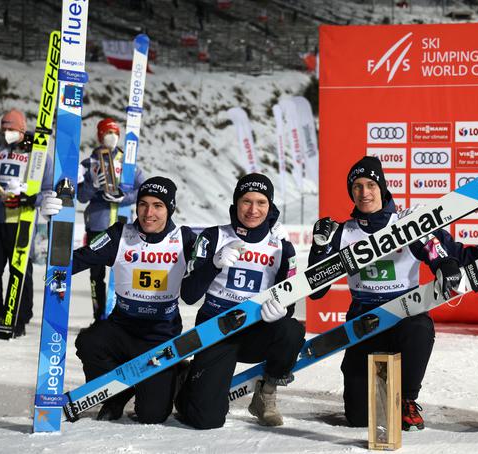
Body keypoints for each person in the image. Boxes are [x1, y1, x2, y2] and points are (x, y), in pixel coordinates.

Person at [307, 156, 464, 431]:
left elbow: (433, 252)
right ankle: (380, 383)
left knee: (420, 327)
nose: (364, 193)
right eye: (357, 186)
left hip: (404, 314)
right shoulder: (343, 232)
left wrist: (446, 263)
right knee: (359, 418)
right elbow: (317, 292)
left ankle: (406, 398)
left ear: (382, 186)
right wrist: (319, 248)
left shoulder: (405, 223)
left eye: (370, 184)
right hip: (363, 321)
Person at [176, 173, 305, 429]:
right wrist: (213, 264)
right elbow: (189, 295)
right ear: (236, 204)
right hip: (217, 332)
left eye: (261, 202)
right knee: (206, 420)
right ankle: (186, 379)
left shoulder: (282, 248)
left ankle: (266, 393)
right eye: (246, 201)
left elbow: (289, 302)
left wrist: (283, 310)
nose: (253, 210)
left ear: (270, 207)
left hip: (256, 332)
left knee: (292, 331)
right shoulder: (213, 237)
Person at [63, 177, 196, 423]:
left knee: (152, 415)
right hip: (122, 328)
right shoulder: (119, 235)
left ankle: (175, 373)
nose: (148, 213)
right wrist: (56, 219)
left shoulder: (184, 239)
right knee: (90, 342)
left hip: (160, 335)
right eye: (143, 204)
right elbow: (75, 260)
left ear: (170, 208)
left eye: (158, 205)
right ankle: (117, 395)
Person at [77, 118, 145, 322]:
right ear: (99, 135)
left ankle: (121, 317)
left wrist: (124, 198)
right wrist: (92, 186)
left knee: (124, 274)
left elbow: (143, 189)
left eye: (116, 133)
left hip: (124, 225)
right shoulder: (88, 163)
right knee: (96, 274)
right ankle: (99, 317)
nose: (112, 137)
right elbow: (80, 196)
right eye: (108, 132)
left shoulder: (128, 163)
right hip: (97, 224)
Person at [0, 108, 55, 337]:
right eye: (4, 128)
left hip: (23, 222)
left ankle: (20, 316)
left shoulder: (38, 154)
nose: (6, 132)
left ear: (21, 129)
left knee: (21, 271)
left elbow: (48, 190)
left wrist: (30, 198)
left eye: (11, 129)